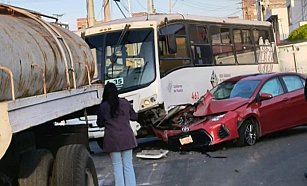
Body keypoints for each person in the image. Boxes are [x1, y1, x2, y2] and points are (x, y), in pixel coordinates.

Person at [96, 82, 138, 186]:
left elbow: (100, 123)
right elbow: (134, 117)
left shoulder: (103, 106)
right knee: (128, 164)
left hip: (112, 140)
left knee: (117, 166)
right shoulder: (124, 102)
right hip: (126, 138)